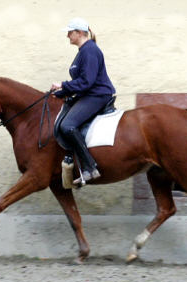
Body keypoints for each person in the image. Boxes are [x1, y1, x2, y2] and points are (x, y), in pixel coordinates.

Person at [51, 17, 116, 185]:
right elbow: (81, 82)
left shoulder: (90, 50)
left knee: (68, 125)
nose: (67, 36)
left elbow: (87, 81)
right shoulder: (83, 51)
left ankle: (90, 167)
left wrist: (63, 85)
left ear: (79, 33)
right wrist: (61, 92)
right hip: (88, 94)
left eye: (70, 32)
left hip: (98, 95)